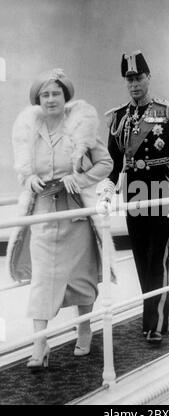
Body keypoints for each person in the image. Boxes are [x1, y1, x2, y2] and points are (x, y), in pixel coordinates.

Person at [8, 68, 115, 369]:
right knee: (42, 280)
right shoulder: (29, 129)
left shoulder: (80, 127)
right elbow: (24, 169)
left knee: (81, 277)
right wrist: (28, 178)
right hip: (43, 213)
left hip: (75, 213)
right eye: (45, 94)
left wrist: (78, 179)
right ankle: (40, 345)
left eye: (56, 93)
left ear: (66, 96)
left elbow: (106, 163)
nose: (51, 99)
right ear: (37, 99)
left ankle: (84, 328)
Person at [97, 50, 169, 343]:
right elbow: (114, 165)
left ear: (149, 77)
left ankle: (156, 322)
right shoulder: (119, 117)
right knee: (141, 255)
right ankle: (149, 315)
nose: (134, 83)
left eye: (139, 77)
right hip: (135, 191)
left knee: (158, 255)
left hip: (161, 187)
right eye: (130, 79)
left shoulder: (167, 111)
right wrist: (106, 192)